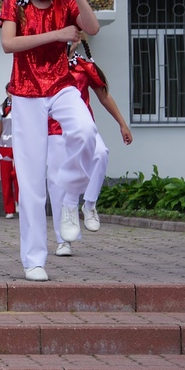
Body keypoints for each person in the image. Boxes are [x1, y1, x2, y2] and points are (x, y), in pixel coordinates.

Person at [0, 0, 100, 282]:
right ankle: (34, 259)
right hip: (27, 93)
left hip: (61, 85)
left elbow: (93, 27)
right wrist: (56, 36)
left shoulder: (66, 2)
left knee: (86, 132)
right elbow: (9, 44)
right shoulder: (15, 2)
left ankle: (71, 194)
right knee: (31, 180)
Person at [48, 37, 133, 257]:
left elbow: (104, 97)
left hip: (83, 130)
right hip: (55, 131)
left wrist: (122, 124)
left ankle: (90, 204)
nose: (69, 41)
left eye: (73, 37)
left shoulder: (85, 67)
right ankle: (63, 240)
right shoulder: (46, 66)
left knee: (101, 153)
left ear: (77, 40)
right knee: (57, 185)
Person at [0, 84, 18, 219]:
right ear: (7, 92)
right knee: (6, 178)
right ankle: (9, 209)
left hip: (20, 146)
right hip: (5, 145)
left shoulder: (23, 108)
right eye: (10, 92)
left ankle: (19, 201)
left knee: (19, 176)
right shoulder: (1, 109)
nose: (12, 94)